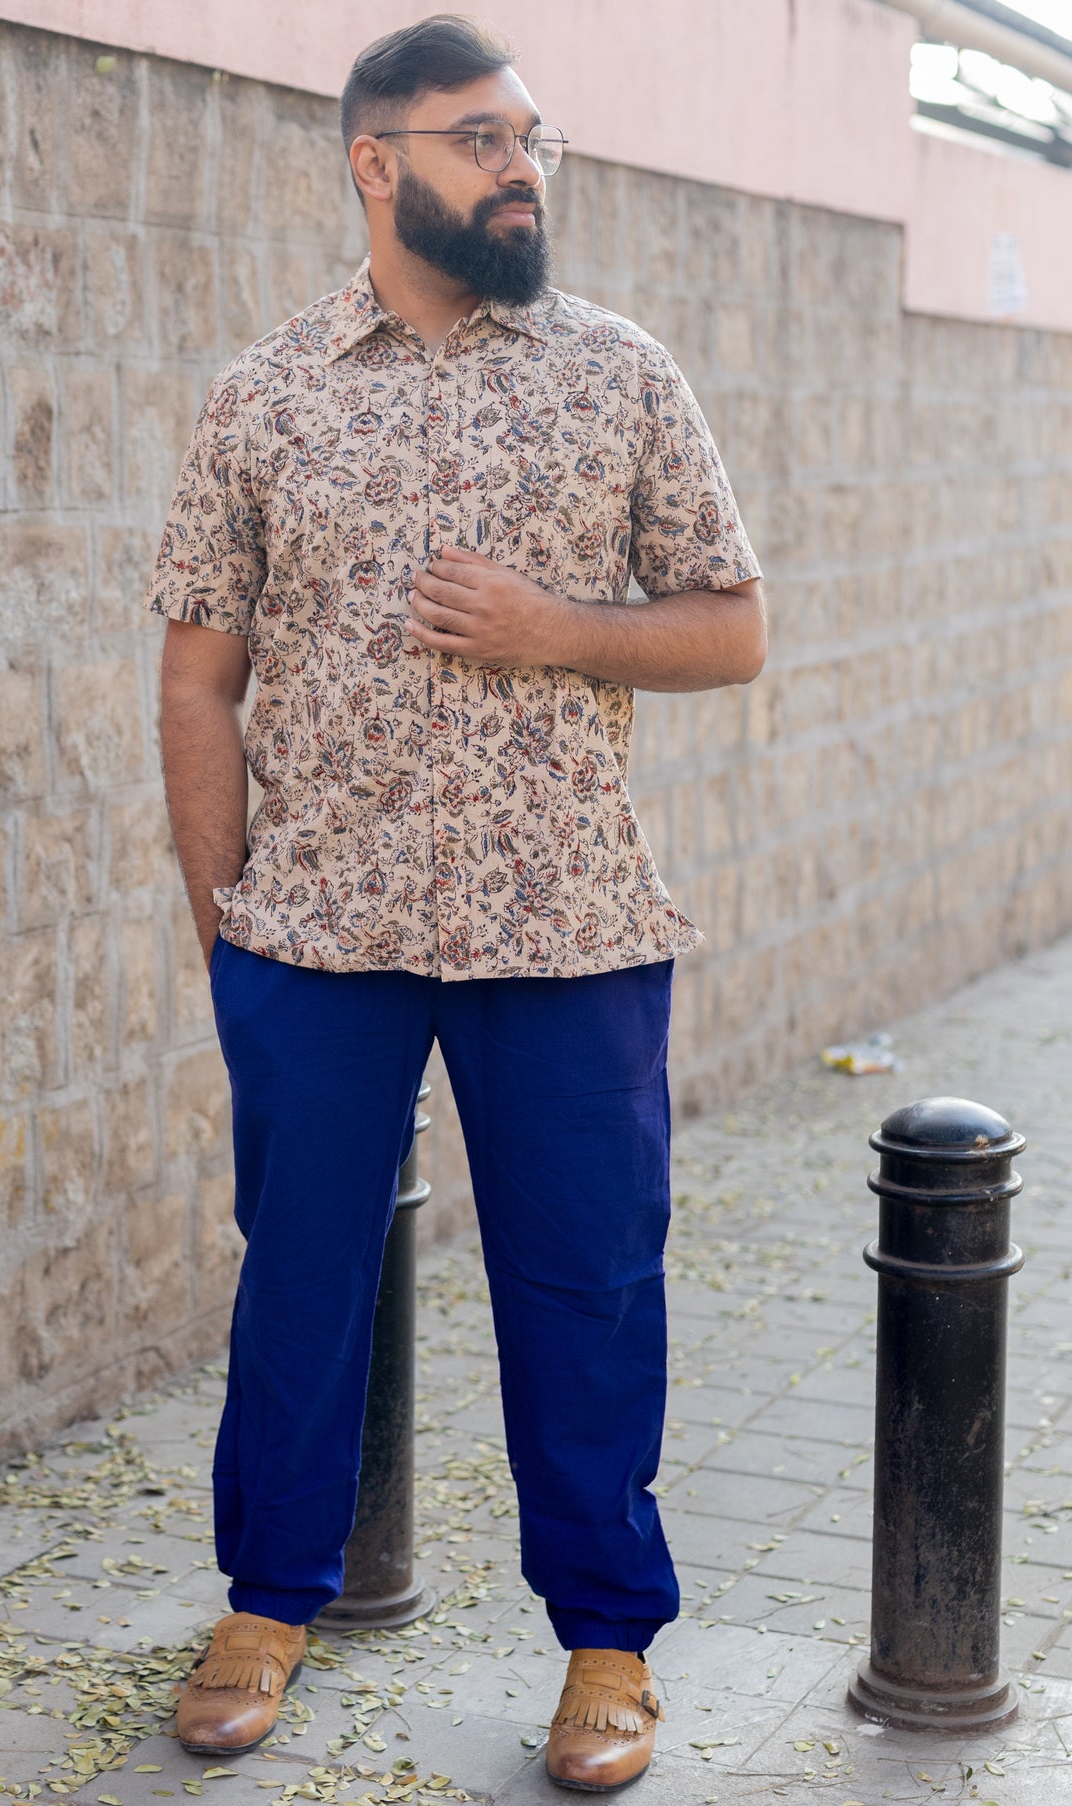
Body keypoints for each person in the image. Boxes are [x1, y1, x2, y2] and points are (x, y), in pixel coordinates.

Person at [146, 13, 765, 1792]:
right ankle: (269, 1601)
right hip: (316, 934)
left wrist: (554, 628)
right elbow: (198, 676)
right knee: (302, 1282)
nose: (521, 165)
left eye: (533, 136)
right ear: (375, 164)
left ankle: (604, 1643)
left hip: (566, 923)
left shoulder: (620, 374)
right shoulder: (265, 394)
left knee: (584, 1287)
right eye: (482, 136)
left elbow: (730, 622)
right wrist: (228, 918)